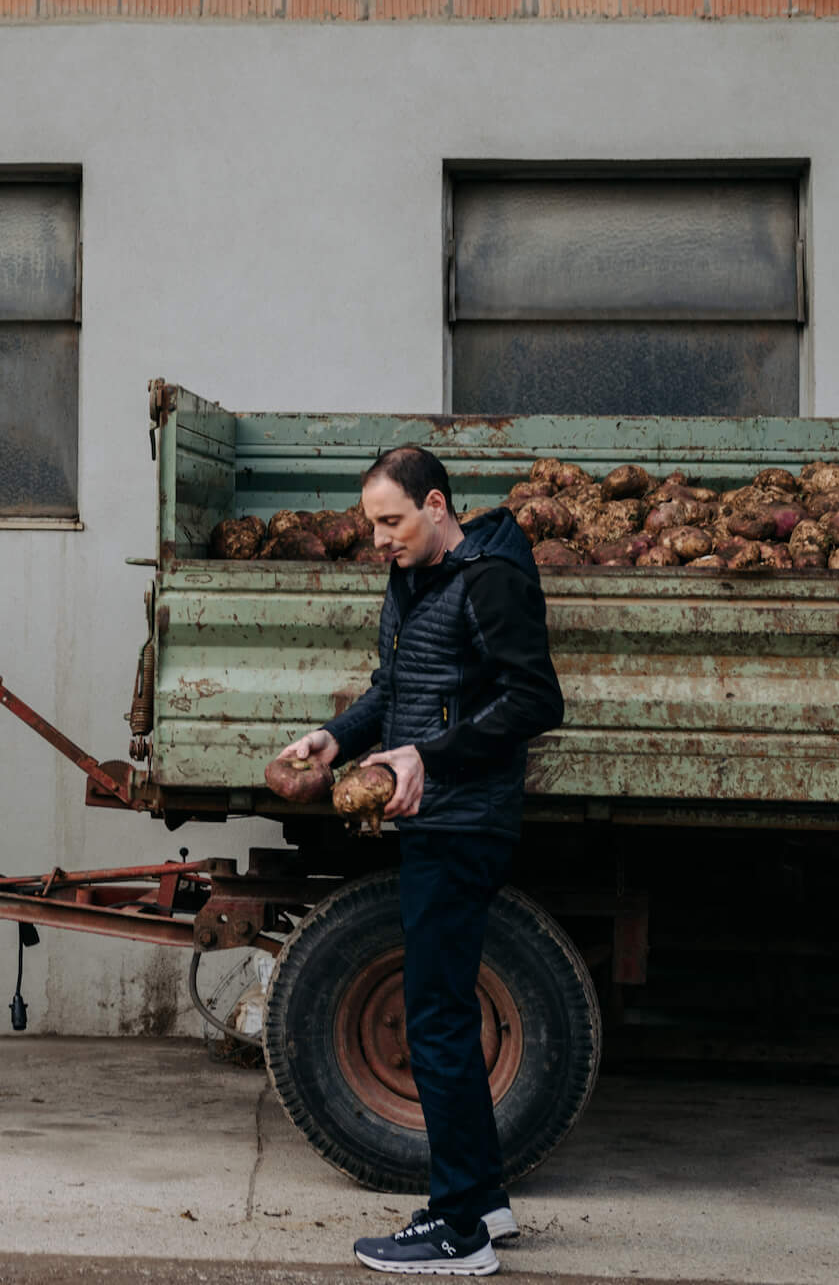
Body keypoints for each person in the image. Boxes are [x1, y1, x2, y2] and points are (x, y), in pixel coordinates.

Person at [276, 446, 565, 1278]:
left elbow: (536, 699)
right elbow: (392, 686)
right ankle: (485, 1203)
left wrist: (429, 757)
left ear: (436, 505)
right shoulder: (411, 578)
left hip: (464, 821)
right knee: (439, 1010)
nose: (378, 539)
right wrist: (338, 736)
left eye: (391, 521)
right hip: (432, 817)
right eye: (372, 524)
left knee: (436, 1018)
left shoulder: (489, 578)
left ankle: (456, 1230)